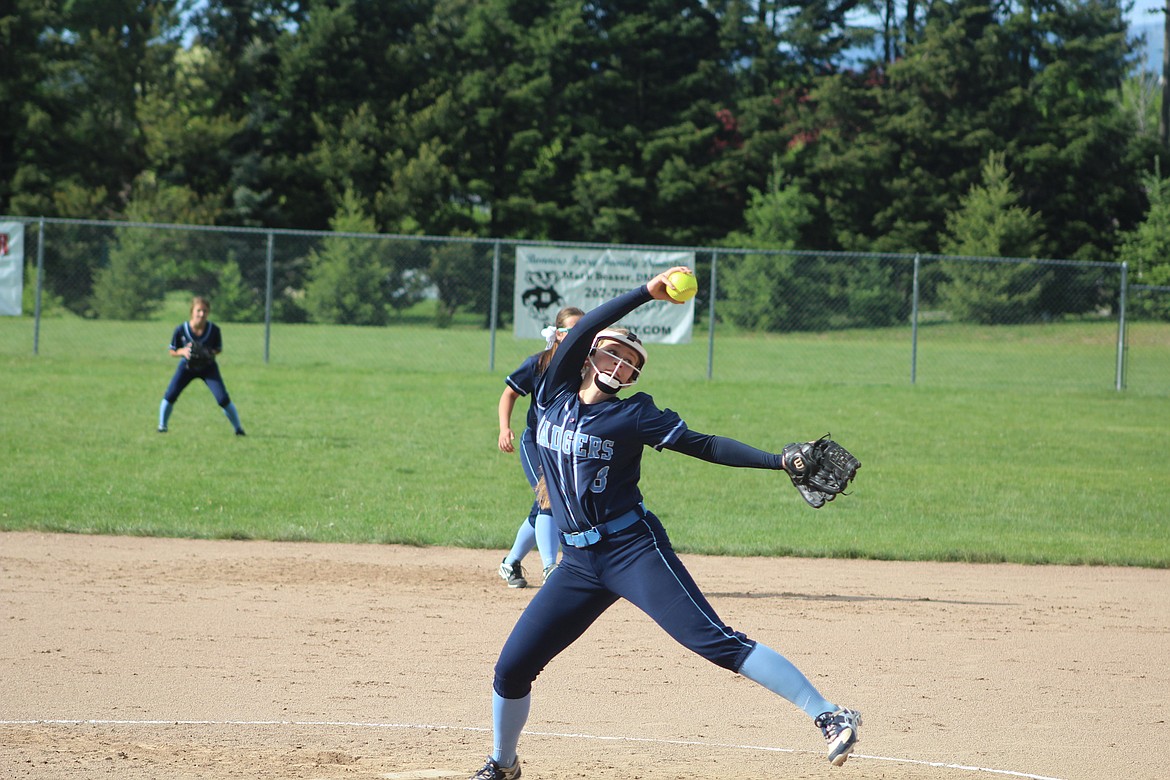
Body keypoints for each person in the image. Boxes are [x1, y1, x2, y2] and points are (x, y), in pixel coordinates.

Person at [471, 268, 861, 780]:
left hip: (632, 550)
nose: (621, 365)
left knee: (714, 641)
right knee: (511, 669)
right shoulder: (550, 395)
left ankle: (830, 714)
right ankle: (503, 763)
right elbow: (589, 323)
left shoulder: (633, 415)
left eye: (632, 363)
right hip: (577, 564)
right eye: (613, 353)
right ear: (588, 355)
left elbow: (705, 445)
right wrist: (645, 295)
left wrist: (776, 460)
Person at [496, 306, 585, 588]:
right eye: (573, 330)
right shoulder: (539, 363)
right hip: (536, 442)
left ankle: (510, 563)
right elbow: (509, 393)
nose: (579, 336)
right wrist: (504, 428)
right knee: (550, 499)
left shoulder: (586, 366)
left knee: (542, 507)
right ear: (558, 334)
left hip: (562, 448)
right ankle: (550, 568)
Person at [158, 296, 246, 436]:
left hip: (208, 367)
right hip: (187, 367)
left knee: (222, 399)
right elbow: (172, 351)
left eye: (205, 311)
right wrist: (183, 351)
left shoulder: (214, 330)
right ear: (192, 311)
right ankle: (162, 426)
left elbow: (218, 349)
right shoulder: (181, 329)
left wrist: (208, 352)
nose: (201, 314)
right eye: (198, 310)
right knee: (170, 395)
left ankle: (238, 429)